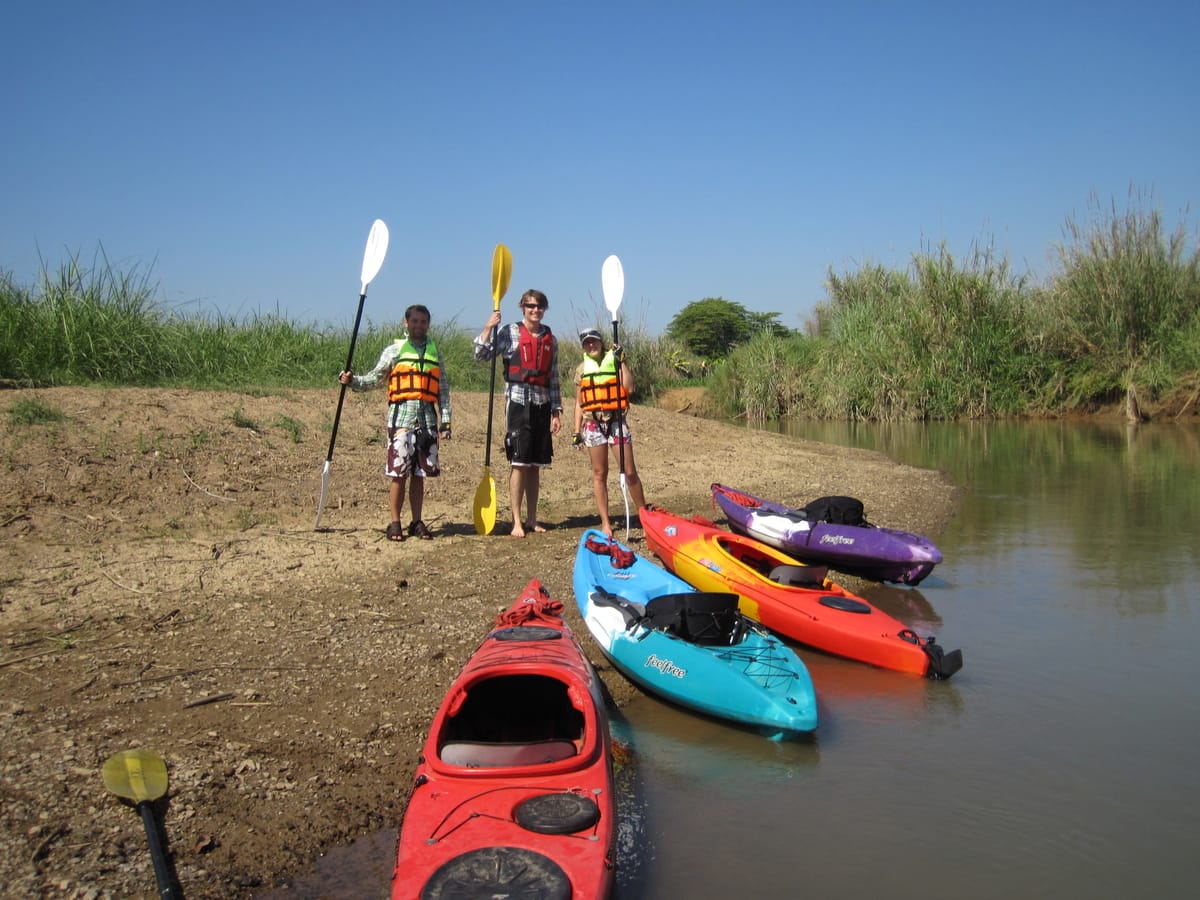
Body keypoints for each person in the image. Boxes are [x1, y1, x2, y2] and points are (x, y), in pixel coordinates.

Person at [338, 304, 451, 542]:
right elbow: (374, 378)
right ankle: (395, 522)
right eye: (415, 321)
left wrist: (446, 421)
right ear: (406, 323)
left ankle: (417, 521)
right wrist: (352, 380)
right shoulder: (394, 351)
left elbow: (442, 390)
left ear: (428, 324)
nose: (419, 325)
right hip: (401, 420)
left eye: (423, 322)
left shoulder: (434, 351)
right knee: (398, 473)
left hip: (427, 421)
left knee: (419, 475)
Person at [475, 289, 563, 537]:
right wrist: (487, 328)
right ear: (522, 307)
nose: (535, 310)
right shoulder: (510, 332)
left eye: (539, 306)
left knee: (535, 465)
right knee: (519, 463)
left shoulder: (550, 339)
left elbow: (554, 378)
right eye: (530, 306)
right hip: (517, 403)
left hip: (542, 403)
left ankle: (532, 518)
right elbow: (481, 355)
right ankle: (516, 521)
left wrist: (557, 410)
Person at [572, 328, 647, 537]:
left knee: (630, 472)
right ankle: (605, 522)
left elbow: (629, 388)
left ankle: (644, 516)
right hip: (593, 425)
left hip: (616, 422)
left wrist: (622, 361)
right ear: (583, 346)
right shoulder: (581, 370)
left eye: (594, 341)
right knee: (599, 473)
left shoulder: (614, 361)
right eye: (586, 342)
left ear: (600, 342)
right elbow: (579, 403)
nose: (591, 345)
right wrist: (576, 431)